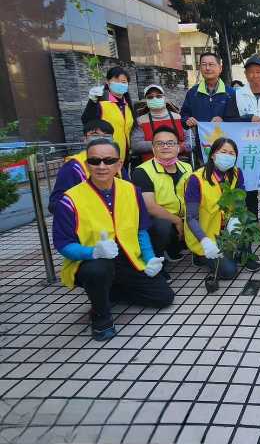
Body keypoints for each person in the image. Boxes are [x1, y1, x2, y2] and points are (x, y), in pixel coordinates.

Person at [52, 138, 174, 341]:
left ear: (119, 164)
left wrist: (150, 257)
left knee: (163, 297)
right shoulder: (69, 199)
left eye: (109, 160)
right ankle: (101, 316)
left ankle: (110, 291)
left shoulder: (131, 190)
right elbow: (63, 244)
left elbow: (141, 229)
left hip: (127, 259)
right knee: (98, 270)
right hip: (92, 262)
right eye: (95, 160)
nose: (101, 166)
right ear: (87, 164)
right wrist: (92, 252)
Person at [184, 137, 252, 276]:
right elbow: (191, 217)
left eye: (232, 153)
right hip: (205, 235)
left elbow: (241, 202)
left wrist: (236, 219)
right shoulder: (196, 179)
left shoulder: (236, 173)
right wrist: (204, 240)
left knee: (248, 221)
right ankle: (199, 255)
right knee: (229, 272)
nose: (227, 156)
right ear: (213, 154)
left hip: (226, 229)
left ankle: (244, 254)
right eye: (223, 152)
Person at [132, 126, 193, 279]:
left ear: (178, 147)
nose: (165, 146)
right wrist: (178, 221)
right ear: (153, 148)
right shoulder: (142, 171)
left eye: (170, 143)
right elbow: (150, 206)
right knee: (162, 227)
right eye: (160, 143)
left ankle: (177, 248)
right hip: (160, 220)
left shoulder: (187, 167)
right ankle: (157, 260)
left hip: (183, 217)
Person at [224, 55, 260, 220]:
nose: (255, 75)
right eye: (251, 72)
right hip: (247, 150)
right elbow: (229, 120)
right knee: (249, 188)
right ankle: (251, 223)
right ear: (246, 75)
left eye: (258, 72)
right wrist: (248, 118)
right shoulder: (237, 95)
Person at [49, 120, 116, 214]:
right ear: (84, 139)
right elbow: (56, 204)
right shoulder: (73, 167)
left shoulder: (115, 162)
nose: (101, 138)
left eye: (106, 135)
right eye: (95, 134)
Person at [82, 67, 135, 165]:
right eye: (116, 81)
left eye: (123, 82)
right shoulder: (101, 103)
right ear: (107, 82)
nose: (120, 84)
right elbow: (87, 121)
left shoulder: (127, 105)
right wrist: (92, 101)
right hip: (106, 156)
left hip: (125, 156)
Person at [131, 84, 190, 163]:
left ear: (164, 98)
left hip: (180, 162)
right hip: (150, 165)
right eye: (150, 97)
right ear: (146, 101)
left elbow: (191, 141)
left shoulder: (179, 118)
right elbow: (136, 145)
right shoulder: (140, 121)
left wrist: (181, 147)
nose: (154, 99)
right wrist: (162, 145)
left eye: (158, 96)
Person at [180, 52, 233, 127]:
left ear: (220, 68)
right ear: (200, 68)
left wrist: (224, 121)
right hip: (201, 138)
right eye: (204, 65)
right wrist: (187, 120)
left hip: (226, 137)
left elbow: (237, 119)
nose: (207, 68)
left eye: (211, 64)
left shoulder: (231, 93)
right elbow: (183, 115)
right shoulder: (192, 93)